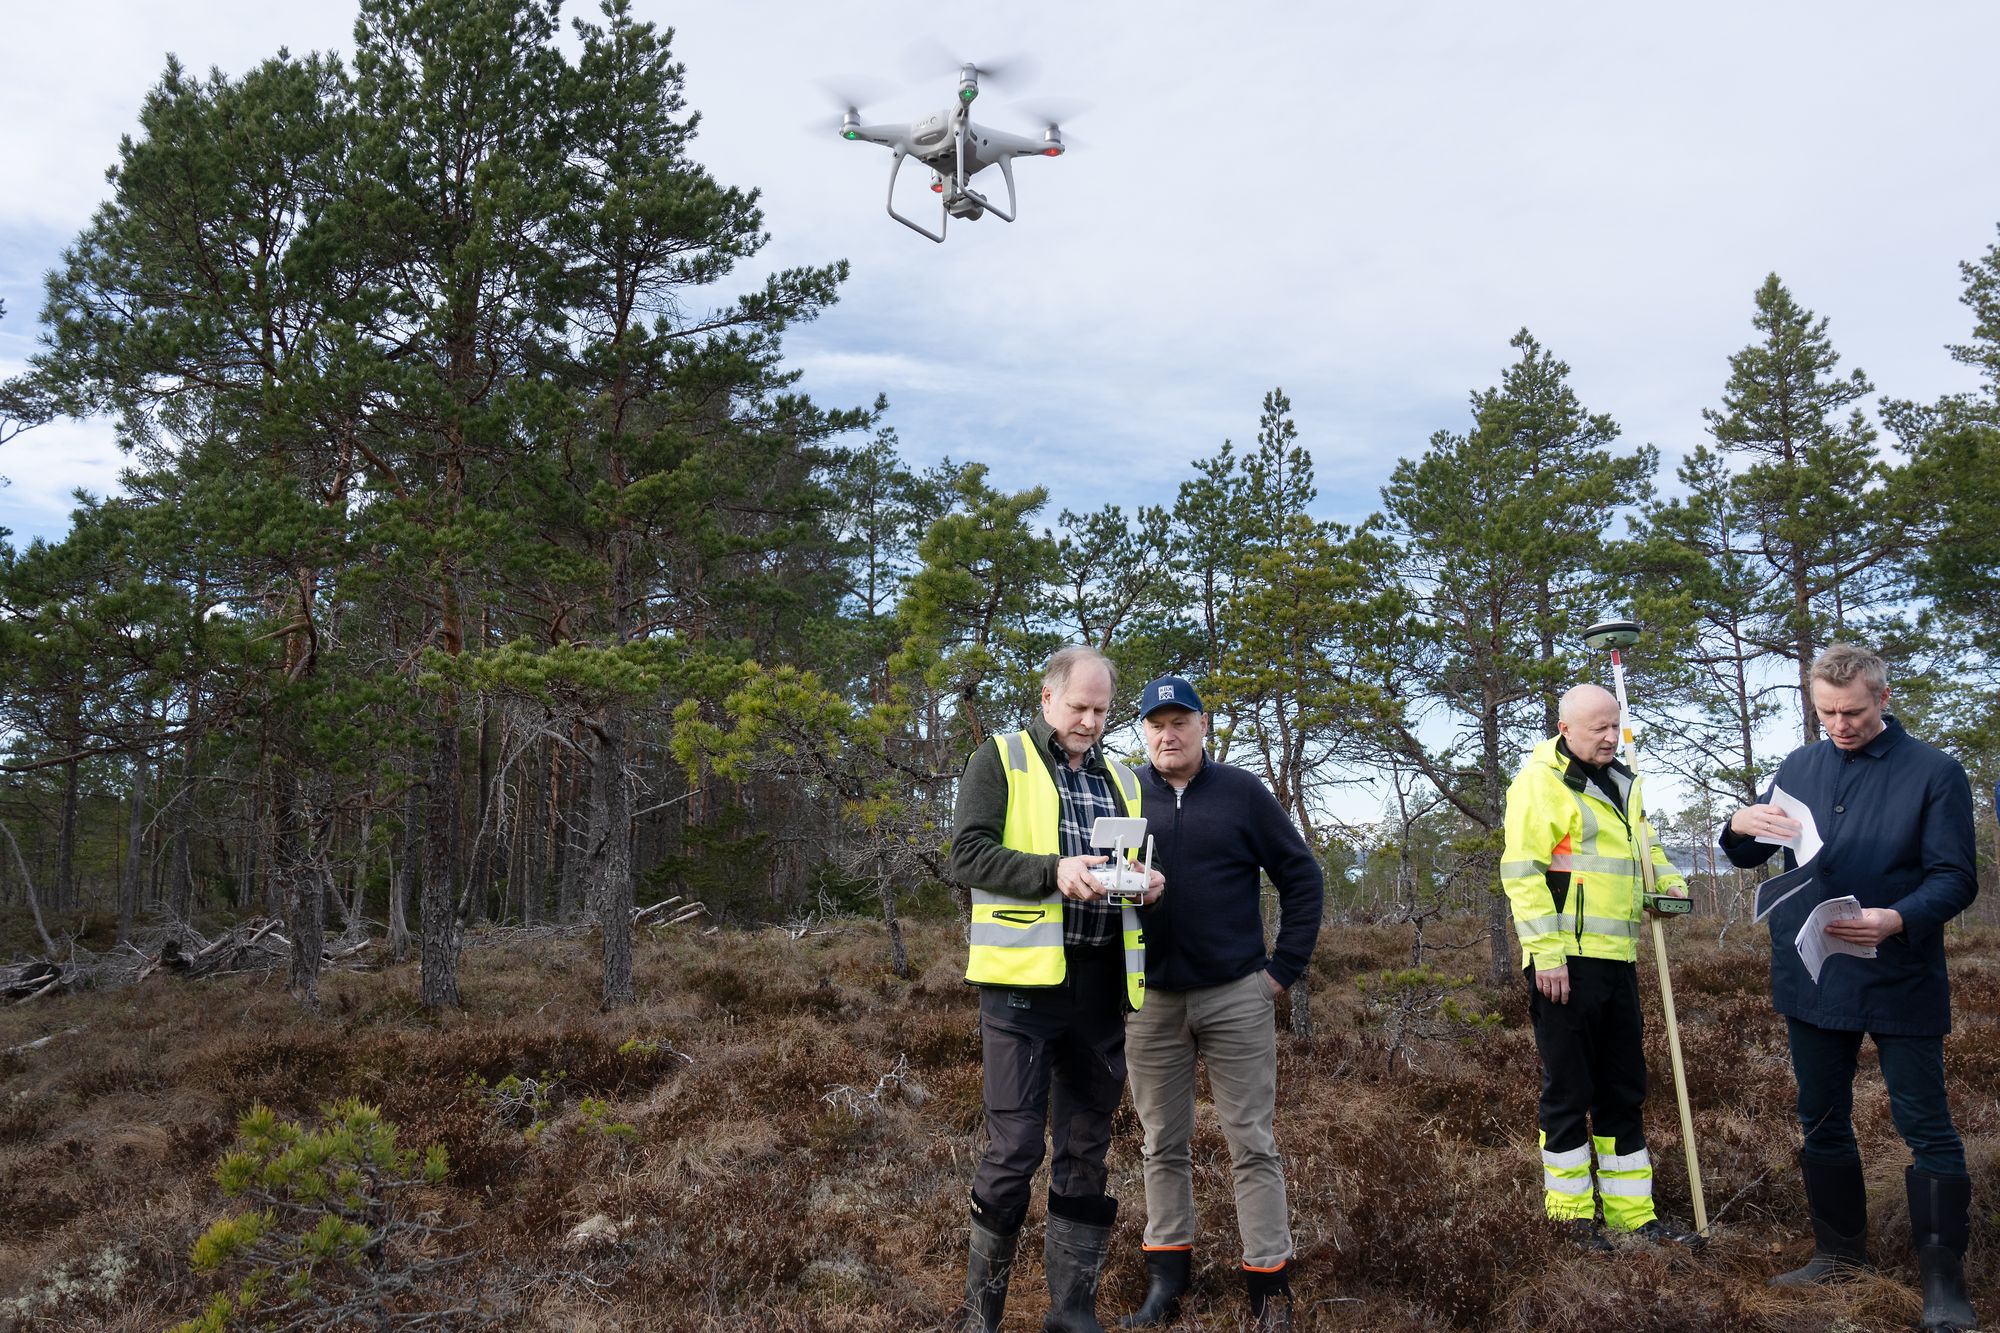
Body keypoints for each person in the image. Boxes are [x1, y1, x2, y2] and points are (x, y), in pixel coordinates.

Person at [1721, 643, 1978, 1332]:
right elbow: (1758, 847)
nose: (1839, 723)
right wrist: (1736, 825)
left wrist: (1899, 917)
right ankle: (1838, 1252)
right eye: (1826, 710)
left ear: (1883, 698)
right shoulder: (1799, 765)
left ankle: (1943, 1279)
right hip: (1813, 973)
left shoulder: (1935, 772)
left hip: (1900, 971)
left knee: (1925, 1124)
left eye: (1854, 711)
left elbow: (1956, 876)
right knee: (1822, 1115)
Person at [945, 645, 1165, 1333]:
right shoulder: (1001, 759)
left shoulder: (1127, 778)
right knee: (1014, 1148)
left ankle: (1072, 1315)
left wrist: (1149, 886)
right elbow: (966, 855)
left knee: (1085, 1148)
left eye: (1101, 710)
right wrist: (1052, 871)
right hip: (1020, 986)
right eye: (1079, 707)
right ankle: (979, 1319)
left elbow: (1136, 866)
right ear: (1047, 698)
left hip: (1101, 985)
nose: (1090, 721)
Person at [1118, 676, 1324, 1330]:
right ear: (1143, 730)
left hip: (1236, 994)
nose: (1167, 734)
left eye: (1180, 721)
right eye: (1155, 723)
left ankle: (1269, 1284)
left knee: (1252, 1141)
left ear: (1204, 725)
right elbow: (1092, 883)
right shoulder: (1123, 794)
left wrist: (1280, 970)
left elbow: (1301, 875)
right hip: (1148, 1001)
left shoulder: (1241, 793)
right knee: (1161, 1141)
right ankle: (1166, 1282)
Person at [1500, 683, 1688, 1248]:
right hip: (1565, 965)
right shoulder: (1539, 783)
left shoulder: (1624, 780)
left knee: (1623, 1088)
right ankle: (1572, 1216)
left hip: (1617, 959)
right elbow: (1523, 874)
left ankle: (1634, 1217)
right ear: (1566, 730)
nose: (1610, 737)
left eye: (1615, 726)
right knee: (1569, 1092)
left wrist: (1670, 882)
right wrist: (1548, 958)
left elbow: (1643, 849)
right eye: (1598, 729)